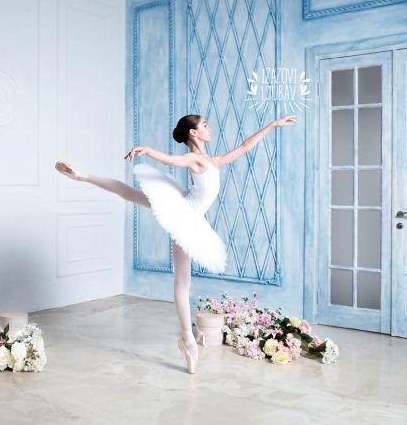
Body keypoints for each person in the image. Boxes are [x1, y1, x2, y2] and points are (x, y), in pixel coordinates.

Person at [55, 113, 298, 374]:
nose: (209, 129)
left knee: (130, 194)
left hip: (183, 206)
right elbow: (173, 160)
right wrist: (148, 150)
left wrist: (273, 124)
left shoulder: (211, 161)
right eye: (205, 125)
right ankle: (187, 339)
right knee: (183, 283)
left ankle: (82, 177)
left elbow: (244, 147)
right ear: (194, 132)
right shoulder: (194, 159)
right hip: (185, 216)